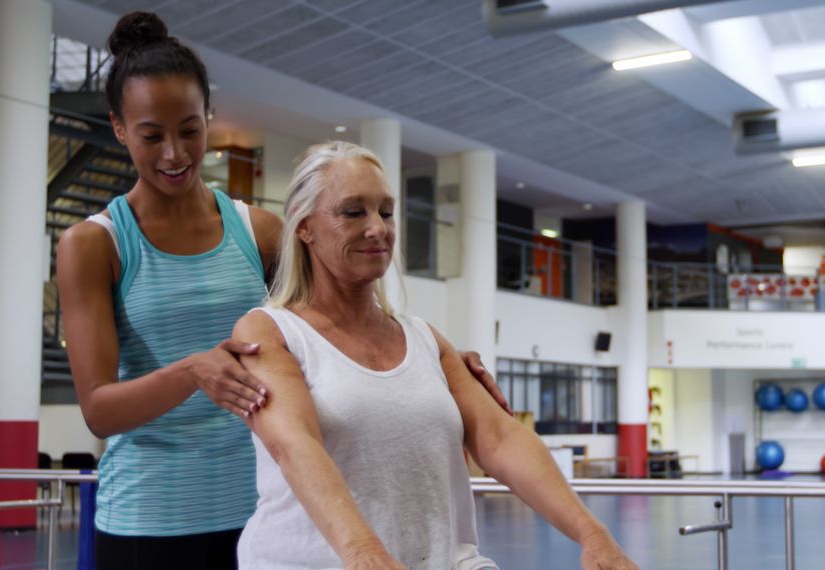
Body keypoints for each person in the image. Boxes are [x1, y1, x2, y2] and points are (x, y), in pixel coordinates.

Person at [56, 12, 505, 569]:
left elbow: (336, 331)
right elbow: (99, 410)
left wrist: (436, 367)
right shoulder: (93, 245)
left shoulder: (259, 232)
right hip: (150, 520)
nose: (174, 153)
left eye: (190, 130)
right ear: (120, 129)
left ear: (209, 118)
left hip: (268, 516)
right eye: (151, 135)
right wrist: (194, 371)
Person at [233, 141, 638, 569]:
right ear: (305, 227)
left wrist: (592, 533)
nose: (377, 228)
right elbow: (295, 447)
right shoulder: (269, 332)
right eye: (353, 212)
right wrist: (363, 553)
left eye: (385, 212)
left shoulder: (425, 339)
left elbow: (500, 438)